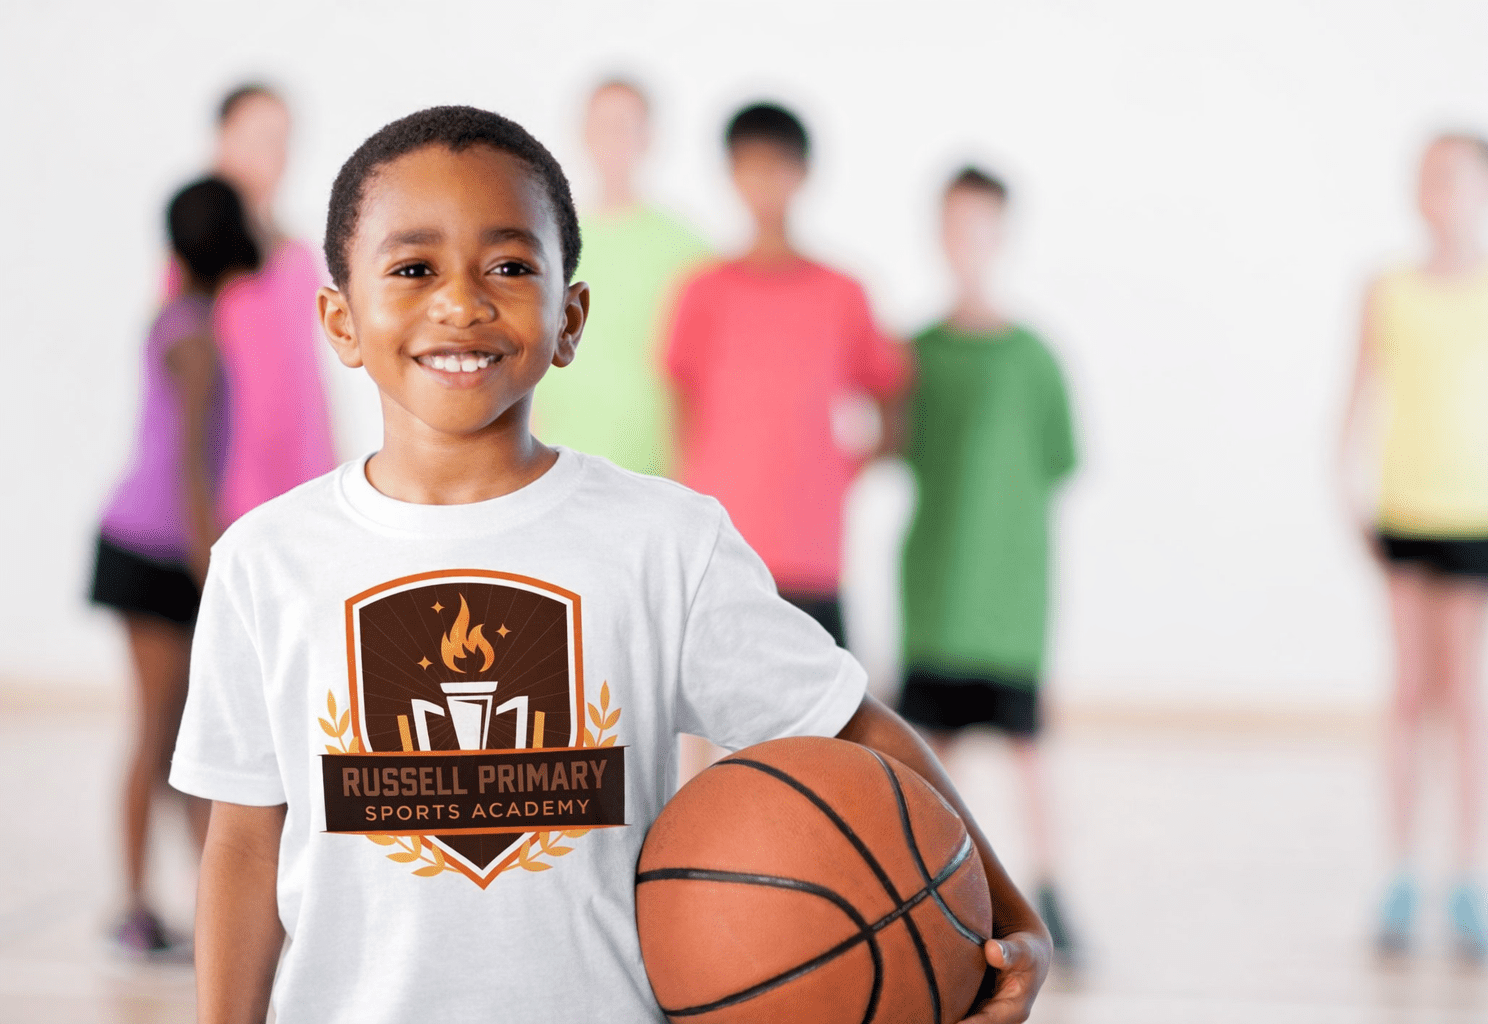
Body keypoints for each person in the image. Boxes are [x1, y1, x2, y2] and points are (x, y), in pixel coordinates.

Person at [168, 105, 1050, 1023]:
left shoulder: (665, 542)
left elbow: (848, 724)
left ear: (571, 317)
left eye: (509, 266)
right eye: (413, 267)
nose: (461, 300)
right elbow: (244, 839)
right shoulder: (266, 561)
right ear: (342, 322)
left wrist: (1012, 911)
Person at [1338, 133, 1488, 960]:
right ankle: (1401, 873)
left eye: (1456, 177)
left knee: (1467, 695)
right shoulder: (1385, 289)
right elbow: (1356, 393)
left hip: (1478, 513)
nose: (1440, 192)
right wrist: (1346, 492)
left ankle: (1468, 878)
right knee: (1408, 694)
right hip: (1405, 511)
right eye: (1429, 177)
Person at [896, 167, 1080, 962]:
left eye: (981, 227)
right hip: (937, 594)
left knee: (1030, 755)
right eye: (954, 226)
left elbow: (1057, 465)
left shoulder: (1035, 359)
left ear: (1002, 236)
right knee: (923, 766)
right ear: (938, 235)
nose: (967, 244)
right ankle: (918, 898)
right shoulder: (913, 355)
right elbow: (888, 445)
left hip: (1010, 605)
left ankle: (1055, 895)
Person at [665, 102, 908, 648]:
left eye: (776, 168)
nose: (763, 186)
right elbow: (682, 405)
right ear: (729, 176)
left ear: (803, 175)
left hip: (813, 552)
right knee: (706, 707)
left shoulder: (845, 293)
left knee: (826, 718)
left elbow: (890, 393)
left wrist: (845, 471)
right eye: (748, 168)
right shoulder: (703, 291)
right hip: (725, 545)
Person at [93, 177, 260, 955]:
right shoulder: (192, 336)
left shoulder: (181, 320)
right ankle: (139, 908)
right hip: (158, 553)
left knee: (175, 741)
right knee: (164, 736)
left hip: (146, 545)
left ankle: (198, 907)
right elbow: (193, 473)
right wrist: (215, 572)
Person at [171, 84, 335, 522]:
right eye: (255, 137)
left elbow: (311, 381)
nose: (272, 155)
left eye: (281, 140)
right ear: (222, 140)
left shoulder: (298, 257)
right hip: (229, 497)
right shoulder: (195, 259)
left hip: (301, 486)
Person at [534, 78, 709, 477]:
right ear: (582, 135)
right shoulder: (545, 240)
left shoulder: (690, 250)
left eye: (625, 125)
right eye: (602, 125)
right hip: (558, 459)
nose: (613, 139)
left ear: (649, 138)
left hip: (657, 465)